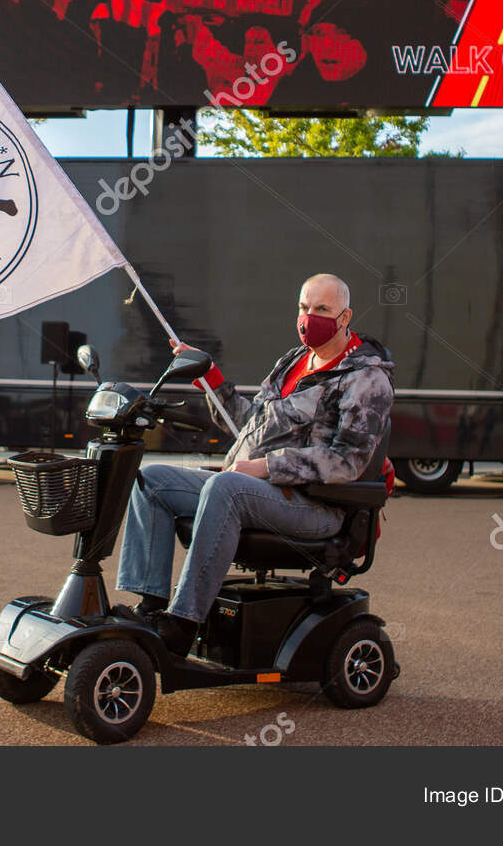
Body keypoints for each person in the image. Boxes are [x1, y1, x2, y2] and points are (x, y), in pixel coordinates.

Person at [114, 273, 395, 656]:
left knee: (225, 488)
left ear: (345, 318)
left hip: (315, 507)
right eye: (303, 307)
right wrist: (208, 376)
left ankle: (182, 623)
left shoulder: (366, 379)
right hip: (256, 491)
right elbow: (248, 422)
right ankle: (150, 609)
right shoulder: (292, 362)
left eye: (321, 310)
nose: (308, 317)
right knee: (151, 480)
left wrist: (266, 468)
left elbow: (347, 461)